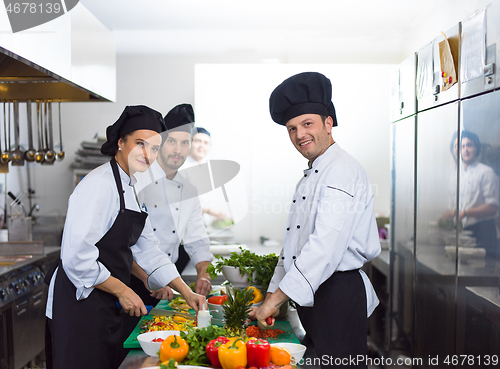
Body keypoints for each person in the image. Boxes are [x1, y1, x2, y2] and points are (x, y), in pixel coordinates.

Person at [44, 105, 206, 369]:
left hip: (104, 301)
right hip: (78, 302)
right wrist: (122, 289)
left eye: (154, 148)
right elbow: (76, 256)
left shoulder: (130, 186)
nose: (147, 154)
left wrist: (186, 292)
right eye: (140, 143)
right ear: (120, 142)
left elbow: (148, 250)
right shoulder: (100, 185)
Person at [253, 72, 381, 368]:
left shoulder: (341, 170)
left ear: (328, 123)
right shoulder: (315, 172)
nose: (299, 135)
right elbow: (294, 246)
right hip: (320, 295)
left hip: (338, 295)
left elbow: (324, 246)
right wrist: (273, 293)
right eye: (292, 128)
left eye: (307, 124)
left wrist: (273, 302)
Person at [129, 104, 214, 310]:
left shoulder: (189, 188)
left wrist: (203, 272)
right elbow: (123, 245)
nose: (178, 150)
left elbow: (197, 239)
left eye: (184, 143)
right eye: (171, 142)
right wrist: (149, 278)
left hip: (167, 282)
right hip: (131, 282)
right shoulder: (137, 181)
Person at [444, 130, 499, 256]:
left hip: (485, 231)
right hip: (465, 232)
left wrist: (465, 213)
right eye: (462, 146)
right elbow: (455, 208)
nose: (465, 149)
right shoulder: (456, 176)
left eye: (469, 145)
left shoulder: (486, 172)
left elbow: (492, 208)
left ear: (476, 148)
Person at [184, 127, 228, 222]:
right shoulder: (181, 168)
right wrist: (210, 211)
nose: (202, 146)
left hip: (202, 224)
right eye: (198, 141)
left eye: (206, 143)